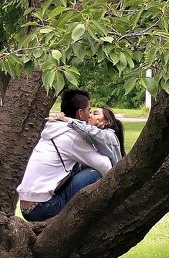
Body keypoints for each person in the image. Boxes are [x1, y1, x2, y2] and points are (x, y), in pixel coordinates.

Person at [45, 105, 134, 258]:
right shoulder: (92, 141)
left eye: (95, 113)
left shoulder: (108, 137)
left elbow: (89, 131)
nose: (89, 115)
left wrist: (70, 120)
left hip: (106, 208)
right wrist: (58, 120)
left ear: (105, 122)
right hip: (92, 206)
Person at [17, 89, 112, 222]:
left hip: (27, 206)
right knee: (94, 173)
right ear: (80, 113)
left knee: (82, 167)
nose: (90, 115)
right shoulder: (71, 136)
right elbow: (105, 166)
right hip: (43, 208)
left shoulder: (54, 128)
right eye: (88, 111)